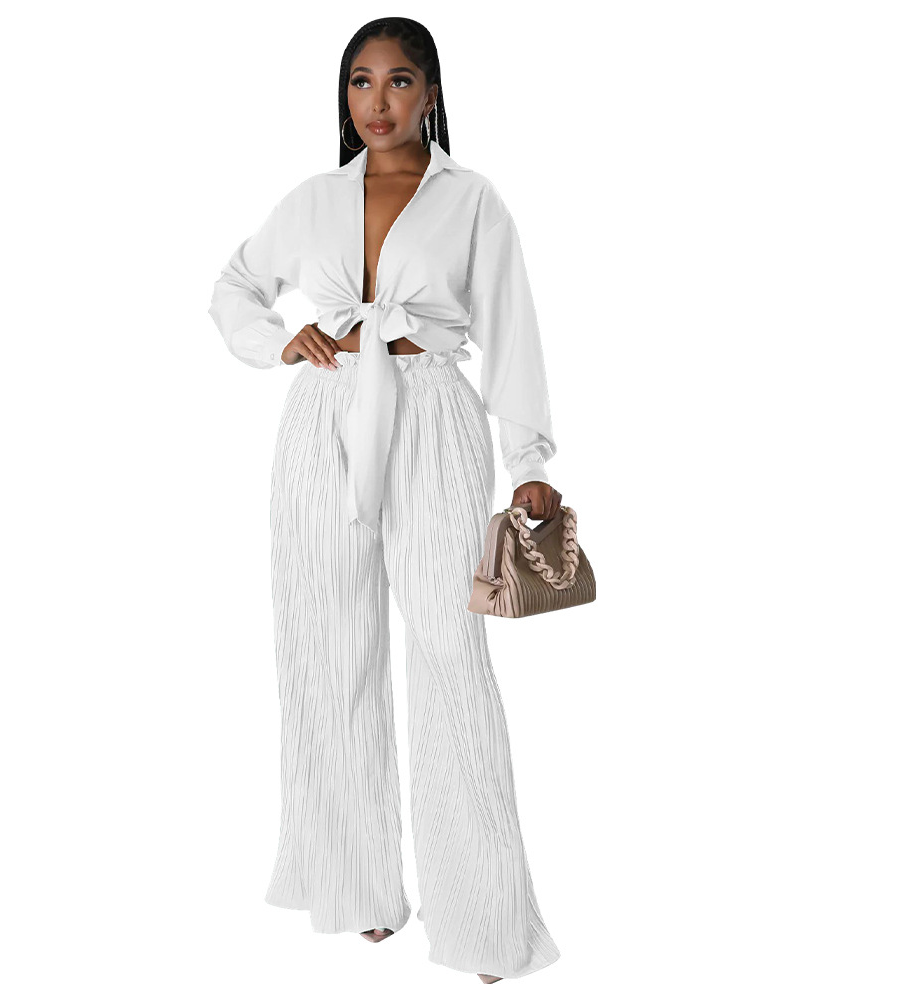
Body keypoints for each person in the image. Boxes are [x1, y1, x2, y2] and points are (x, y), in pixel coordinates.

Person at [208, 16, 563, 984]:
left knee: (450, 653)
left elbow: (514, 327)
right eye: (360, 81)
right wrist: (276, 340)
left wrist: (528, 457)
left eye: (399, 80)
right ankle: (358, 884)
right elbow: (234, 286)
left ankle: (485, 919)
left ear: (431, 93)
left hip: (433, 413)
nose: (378, 100)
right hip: (322, 419)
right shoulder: (313, 199)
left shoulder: (471, 200)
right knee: (327, 647)